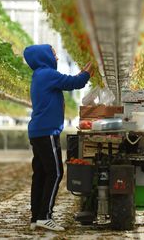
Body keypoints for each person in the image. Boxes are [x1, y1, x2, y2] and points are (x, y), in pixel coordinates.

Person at [23, 44, 94, 231]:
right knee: (55, 173)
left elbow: (69, 81)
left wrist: (81, 75)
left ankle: (36, 217)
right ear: (43, 56)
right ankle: (45, 216)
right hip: (47, 132)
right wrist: (87, 73)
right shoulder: (47, 74)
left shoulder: (40, 75)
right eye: (54, 54)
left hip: (38, 132)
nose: (57, 58)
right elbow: (74, 83)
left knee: (40, 173)